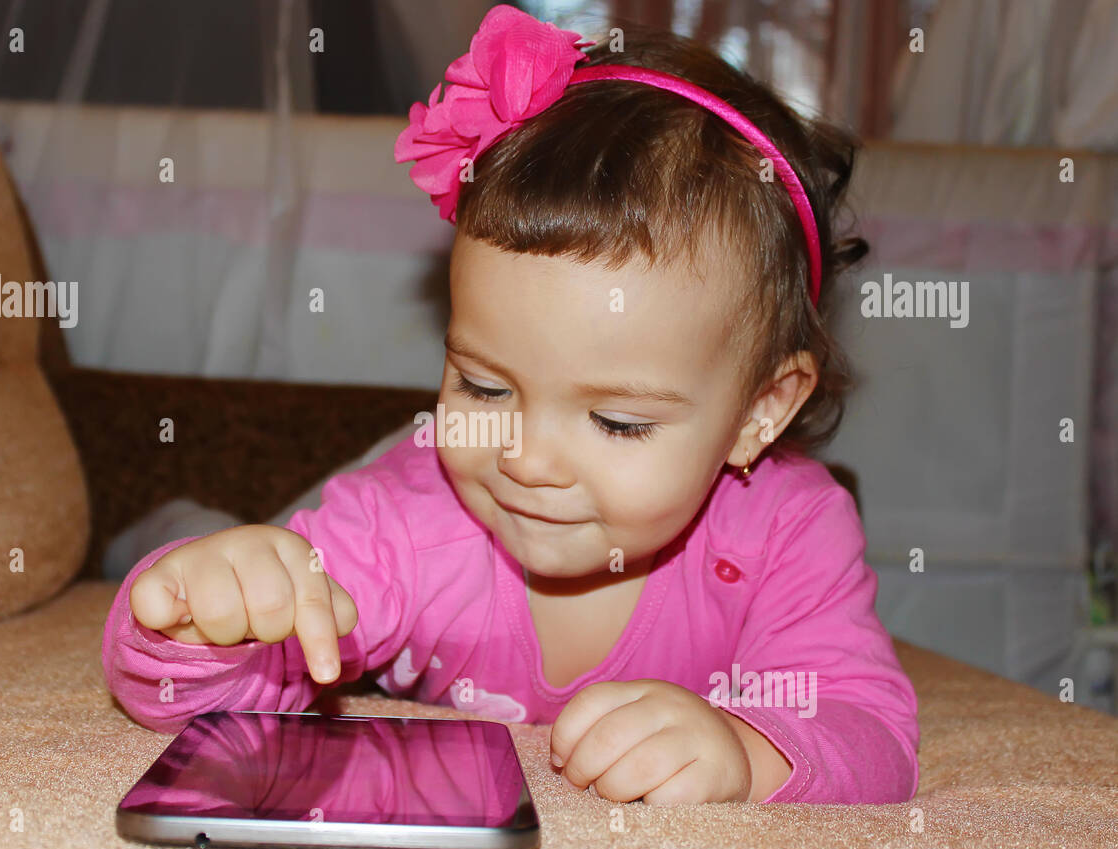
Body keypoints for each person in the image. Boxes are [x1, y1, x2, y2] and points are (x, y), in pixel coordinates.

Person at [103, 5, 918, 806]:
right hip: (400, 473)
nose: (524, 459)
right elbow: (217, 700)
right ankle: (173, 527)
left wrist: (747, 755)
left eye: (616, 421)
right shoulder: (414, 519)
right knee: (245, 551)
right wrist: (195, 617)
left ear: (760, 412)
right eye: (485, 386)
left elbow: (868, 733)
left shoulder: (789, 532)